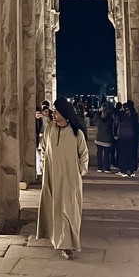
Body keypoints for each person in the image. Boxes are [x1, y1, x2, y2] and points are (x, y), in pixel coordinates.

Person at [36, 97, 89, 259]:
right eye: (54, 111)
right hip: (52, 177)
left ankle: (67, 244)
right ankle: (57, 239)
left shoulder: (76, 133)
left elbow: (84, 155)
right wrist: (45, 166)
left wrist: (78, 171)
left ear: (65, 114)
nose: (54, 114)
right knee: (54, 208)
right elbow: (43, 149)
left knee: (68, 210)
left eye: (57, 111)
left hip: (70, 179)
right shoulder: (50, 130)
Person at [116, 100, 139, 177]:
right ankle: (132, 170)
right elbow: (138, 125)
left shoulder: (121, 115)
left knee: (123, 154)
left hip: (123, 137)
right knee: (132, 154)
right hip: (132, 137)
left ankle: (123, 170)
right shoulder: (135, 115)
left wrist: (115, 134)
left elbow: (116, 124)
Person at [94, 102, 115, 173]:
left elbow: (95, 122)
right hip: (107, 138)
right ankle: (106, 168)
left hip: (99, 137)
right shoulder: (110, 117)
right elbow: (112, 125)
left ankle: (99, 167)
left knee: (99, 153)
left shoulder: (97, 116)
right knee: (107, 154)